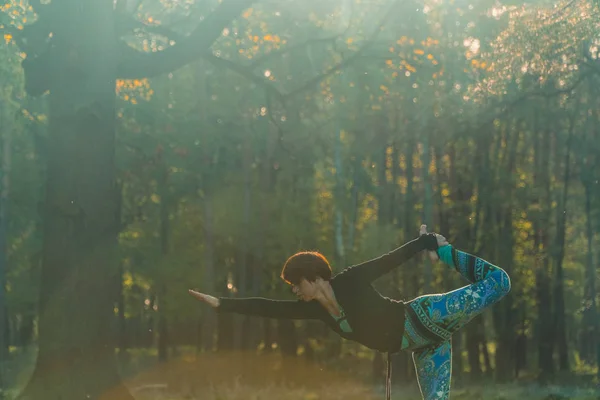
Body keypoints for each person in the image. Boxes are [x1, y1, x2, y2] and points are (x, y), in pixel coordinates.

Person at [189, 225, 511, 400]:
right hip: (426, 346)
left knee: (499, 283)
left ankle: (446, 252)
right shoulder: (317, 312)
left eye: (296, 283)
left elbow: (389, 260)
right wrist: (222, 303)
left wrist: (428, 243)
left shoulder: (351, 281)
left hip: (424, 316)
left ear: (314, 277)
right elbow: (269, 309)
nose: (294, 291)